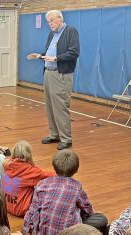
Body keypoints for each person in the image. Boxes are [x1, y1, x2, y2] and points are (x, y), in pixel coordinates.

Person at [27, 10, 80, 150]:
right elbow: (50, 54)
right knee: (50, 106)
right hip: (48, 73)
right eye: (48, 22)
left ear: (60, 19)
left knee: (60, 106)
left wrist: (56, 58)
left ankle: (66, 138)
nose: (50, 24)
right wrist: (40, 56)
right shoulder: (52, 34)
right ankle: (54, 134)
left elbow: (74, 52)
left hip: (61, 74)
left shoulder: (70, 31)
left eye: (52, 21)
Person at [21, 150, 107, 235]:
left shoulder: (42, 184)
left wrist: (24, 231)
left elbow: (32, 211)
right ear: (76, 170)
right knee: (101, 219)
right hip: (69, 232)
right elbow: (88, 210)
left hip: (42, 231)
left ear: (54, 167)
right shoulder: (76, 187)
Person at [1, 140, 54, 217]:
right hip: (21, 210)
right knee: (44, 186)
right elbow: (51, 175)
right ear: (28, 155)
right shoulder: (28, 171)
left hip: (6, 206)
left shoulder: (7, 165)